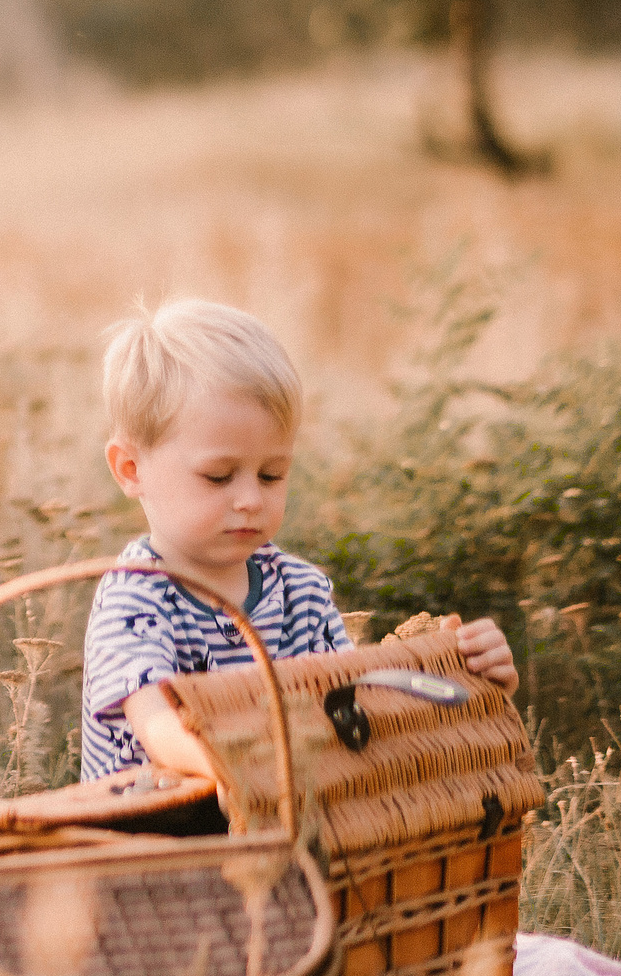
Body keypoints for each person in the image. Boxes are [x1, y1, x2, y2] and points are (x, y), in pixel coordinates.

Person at [79, 298, 518, 783]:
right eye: (219, 477)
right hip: (154, 841)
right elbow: (159, 727)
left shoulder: (299, 591)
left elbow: (354, 713)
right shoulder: (135, 596)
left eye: (271, 475)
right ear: (131, 469)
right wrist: (254, 774)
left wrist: (467, 679)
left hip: (282, 826)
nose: (249, 498)